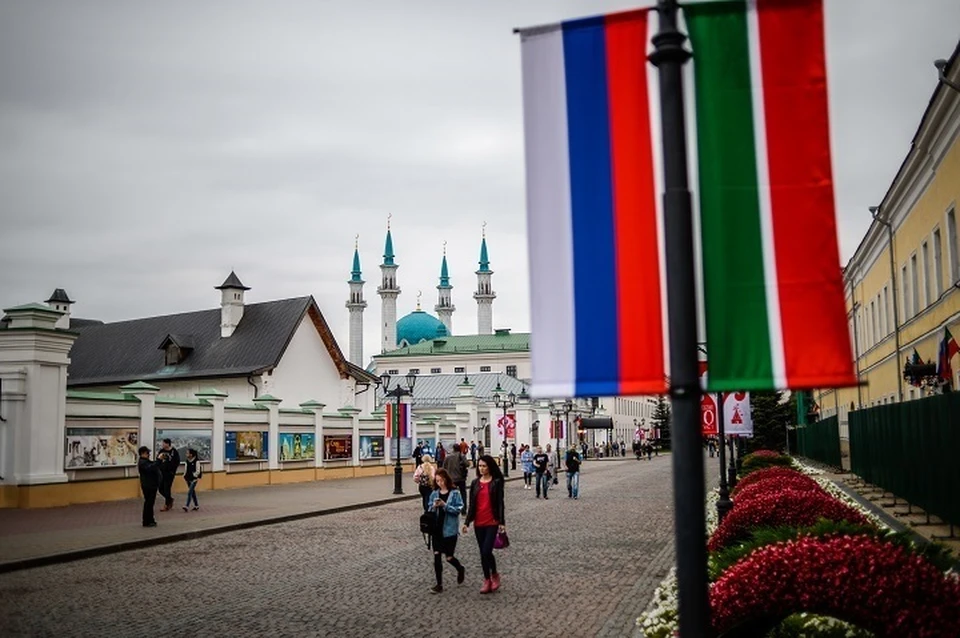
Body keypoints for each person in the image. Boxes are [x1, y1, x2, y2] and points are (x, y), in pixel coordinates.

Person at [462, 455, 506, 594]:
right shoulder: (475, 483)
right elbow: (472, 505)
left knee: (486, 551)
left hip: (491, 522)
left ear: (490, 467)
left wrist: (501, 522)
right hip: (478, 523)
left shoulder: (496, 482)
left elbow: (500, 503)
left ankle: (494, 575)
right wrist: (467, 522)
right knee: (483, 553)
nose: (481, 468)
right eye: (480, 466)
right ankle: (487, 579)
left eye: (484, 466)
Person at [427, 468, 466, 593]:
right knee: (437, 556)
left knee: (449, 557)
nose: (440, 483)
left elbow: (458, 509)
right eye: (437, 481)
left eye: (441, 480)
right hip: (437, 529)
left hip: (449, 530)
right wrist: (433, 506)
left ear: (446, 479)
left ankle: (460, 568)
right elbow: (428, 509)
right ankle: (439, 585)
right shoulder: (434, 493)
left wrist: (445, 505)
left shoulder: (455, 493)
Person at [137, 446, 161, 527]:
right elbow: (151, 468)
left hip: (151, 485)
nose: (149, 454)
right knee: (149, 504)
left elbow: (154, 465)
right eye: (147, 453)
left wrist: (159, 460)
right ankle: (147, 521)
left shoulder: (146, 461)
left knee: (150, 504)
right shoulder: (142, 462)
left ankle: (150, 520)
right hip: (148, 486)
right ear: (142, 453)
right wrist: (159, 460)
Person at [442, 442, 469, 507]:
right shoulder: (461, 455)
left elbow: (444, 467)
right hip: (461, 478)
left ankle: (451, 507)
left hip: (451, 479)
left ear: (453, 449)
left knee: (451, 493)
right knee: (463, 493)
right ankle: (464, 507)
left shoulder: (448, 457)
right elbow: (467, 464)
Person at [157, 438, 181, 511]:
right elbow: (158, 460)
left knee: (167, 488)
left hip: (169, 474)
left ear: (168, 444)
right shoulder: (161, 451)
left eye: (164, 443)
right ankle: (170, 499)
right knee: (160, 489)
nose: (162, 445)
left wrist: (172, 470)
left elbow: (177, 462)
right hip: (161, 473)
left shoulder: (174, 452)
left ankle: (166, 505)